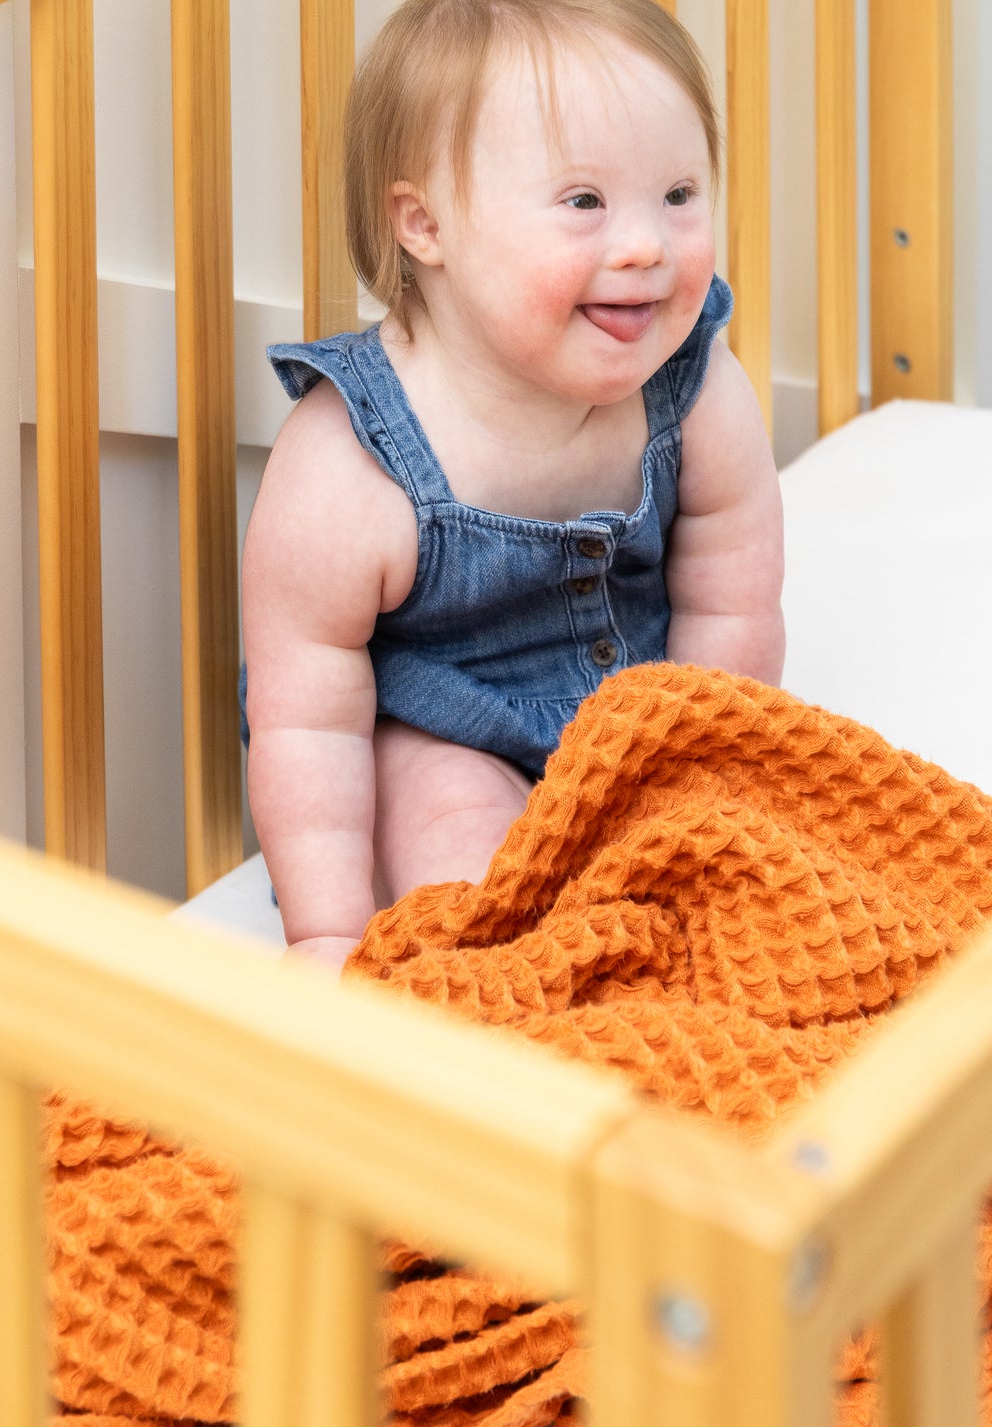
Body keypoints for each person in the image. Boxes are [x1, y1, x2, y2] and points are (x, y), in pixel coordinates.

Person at [241, 0, 784, 974]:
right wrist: (324, 932)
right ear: (424, 225)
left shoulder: (692, 384)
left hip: (641, 709)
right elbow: (304, 717)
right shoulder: (350, 458)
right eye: (583, 202)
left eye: (676, 193)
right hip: (445, 731)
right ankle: (524, 1017)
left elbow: (731, 596)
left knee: (733, 860)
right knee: (469, 870)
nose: (643, 246)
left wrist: (704, 761)